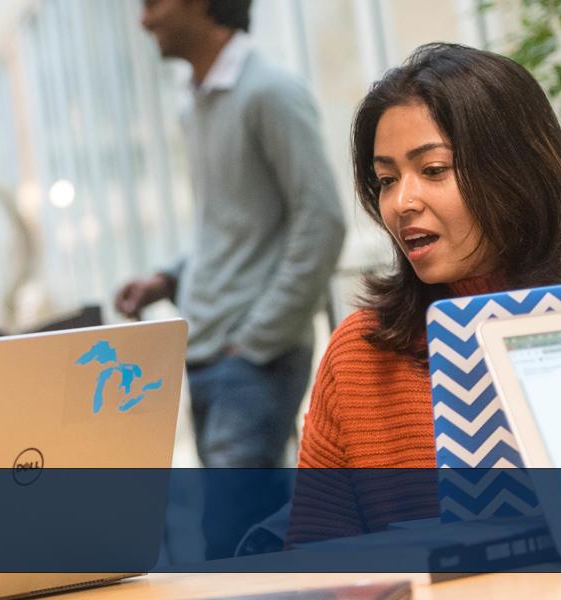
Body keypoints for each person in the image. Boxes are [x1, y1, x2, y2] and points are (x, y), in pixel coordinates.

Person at [289, 43, 561, 544]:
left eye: (433, 170)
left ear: (518, 173)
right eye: (386, 180)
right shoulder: (360, 353)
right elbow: (315, 564)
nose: (401, 203)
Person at [115, 0, 346, 559]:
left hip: (251, 358)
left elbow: (324, 221)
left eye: (153, 4)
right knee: (236, 540)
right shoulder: (196, 100)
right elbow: (225, 224)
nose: (144, 20)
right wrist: (166, 278)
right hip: (211, 350)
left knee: (236, 542)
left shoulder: (270, 92)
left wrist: (259, 340)